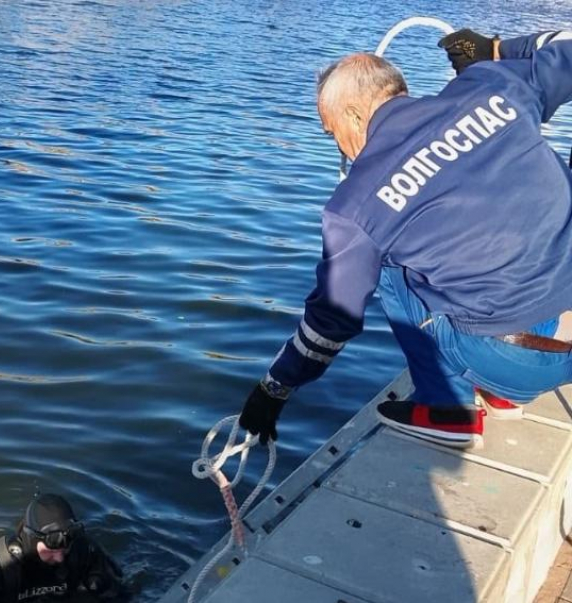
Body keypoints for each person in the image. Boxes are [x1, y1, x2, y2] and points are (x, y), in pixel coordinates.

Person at [238, 27, 572, 450]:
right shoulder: (493, 85)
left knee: (390, 261)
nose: (339, 148)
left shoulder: (356, 206)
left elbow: (332, 322)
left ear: (356, 116)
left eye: (332, 131)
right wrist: (497, 51)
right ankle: (500, 396)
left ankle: (447, 410)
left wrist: (274, 389)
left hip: (511, 358)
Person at [0, 493, 124, 602]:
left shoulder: (83, 551)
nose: (60, 558)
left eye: (65, 550)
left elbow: (118, 594)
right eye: (52, 551)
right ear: (32, 539)